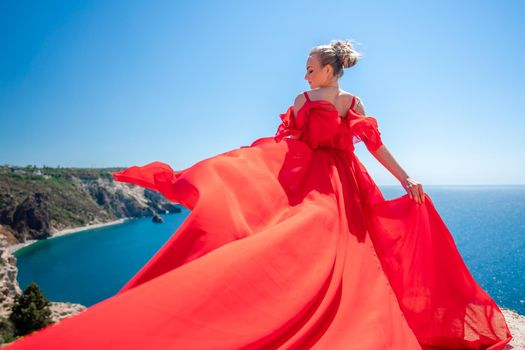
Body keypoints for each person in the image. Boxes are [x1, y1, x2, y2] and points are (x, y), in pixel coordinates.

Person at [3, 40, 512, 349]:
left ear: (331, 70)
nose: (305, 72)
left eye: (311, 66)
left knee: (357, 260)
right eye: (306, 66)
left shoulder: (353, 101)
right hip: (310, 181)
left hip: (346, 184)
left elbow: (375, 147)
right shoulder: (299, 100)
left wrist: (405, 180)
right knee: (302, 246)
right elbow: (286, 142)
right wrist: (250, 163)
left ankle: (356, 315)